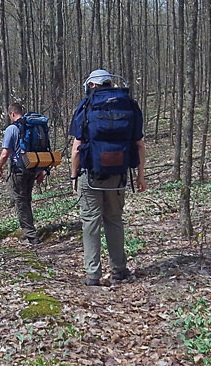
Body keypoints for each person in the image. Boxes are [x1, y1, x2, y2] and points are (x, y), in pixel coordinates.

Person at [68, 69, 147, 286]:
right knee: (114, 220)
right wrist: (140, 176)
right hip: (118, 174)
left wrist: (74, 176)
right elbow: (139, 144)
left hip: (90, 174)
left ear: (91, 85)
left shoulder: (85, 107)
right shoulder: (128, 105)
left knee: (90, 223)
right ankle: (119, 270)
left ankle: (93, 275)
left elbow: (77, 148)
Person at [0, 102, 45, 245]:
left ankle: (31, 236)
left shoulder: (12, 129)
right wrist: (40, 171)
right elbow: (40, 149)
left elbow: (5, 153)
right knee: (26, 199)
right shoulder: (33, 126)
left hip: (19, 170)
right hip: (33, 167)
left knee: (21, 202)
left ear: (12, 114)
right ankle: (29, 230)